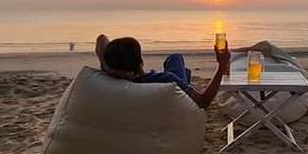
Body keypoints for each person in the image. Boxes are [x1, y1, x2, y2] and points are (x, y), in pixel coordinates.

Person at [95, 34, 230, 109]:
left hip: (124, 70)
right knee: (176, 60)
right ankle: (186, 83)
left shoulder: (109, 75)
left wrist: (107, 67)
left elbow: (101, 39)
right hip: (167, 85)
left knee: (175, 58)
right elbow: (203, 102)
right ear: (139, 61)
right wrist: (221, 65)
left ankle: (186, 79)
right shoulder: (166, 80)